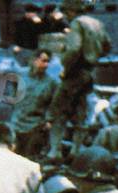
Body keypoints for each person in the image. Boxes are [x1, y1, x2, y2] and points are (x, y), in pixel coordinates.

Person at [46, 0, 110, 159]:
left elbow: (73, 49)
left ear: (71, 11)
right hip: (89, 73)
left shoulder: (77, 24)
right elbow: (108, 46)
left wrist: (65, 68)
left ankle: (54, 152)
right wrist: (93, 56)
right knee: (81, 112)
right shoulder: (97, 24)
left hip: (74, 73)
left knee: (57, 111)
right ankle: (76, 150)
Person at [9, 49, 58, 160]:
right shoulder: (20, 76)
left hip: (35, 126)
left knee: (30, 159)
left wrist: (49, 120)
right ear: (34, 61)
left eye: (48, 62)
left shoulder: (52, 83)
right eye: (44, 61)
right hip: (17, 123)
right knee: (13, 158)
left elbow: (55, 104)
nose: (46, 65)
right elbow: (12, 96)